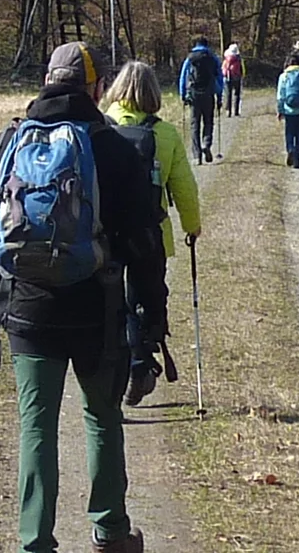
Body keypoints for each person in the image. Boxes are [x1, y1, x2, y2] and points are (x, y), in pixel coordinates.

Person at [0, 40, 162, 553]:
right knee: (101, 418)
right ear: (96, 89)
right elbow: (145, 246)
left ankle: (34, 541)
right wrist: (152, 317)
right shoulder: (115, 149)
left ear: (45, 82)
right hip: (98, 311)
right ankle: (110, 532)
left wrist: (10, 290)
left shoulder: (9, 142)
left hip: (29, 311)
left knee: (36, 427)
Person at [102, 59, 203, 406]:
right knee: (145, 300)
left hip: (106, 235)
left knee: (112, 305)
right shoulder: (166, 134)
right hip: (151, 235)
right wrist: (192, 226)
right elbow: (185, 188)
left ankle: (118, 371)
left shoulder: (102, 128)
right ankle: (142, 360)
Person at [178, 38, 222, 164]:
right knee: (208, 122)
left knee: (194, 124)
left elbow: (183, 76)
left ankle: (197, 155)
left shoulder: (190, 58)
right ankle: (206, 144)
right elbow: (219, 77)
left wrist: (183, 94)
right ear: (206, 45)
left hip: (194, 95)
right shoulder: (213, 58)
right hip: (209, 94)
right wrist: (219, 96)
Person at [276, 57, 299, 168]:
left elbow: (280, 96)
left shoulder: (283, 76)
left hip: (289, 109)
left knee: (289, 132)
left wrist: (280, 110)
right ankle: (297, 160)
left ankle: (290, 149)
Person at [222, 43, 244, 117]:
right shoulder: (238, 59)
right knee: (237, 94)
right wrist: (242, 75)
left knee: (228, 94)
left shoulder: (226, 58)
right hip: (237, 77)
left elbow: (223, 68)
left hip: (227, 77)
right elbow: (242, 68)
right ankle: (236, 111)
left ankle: (228, 111)